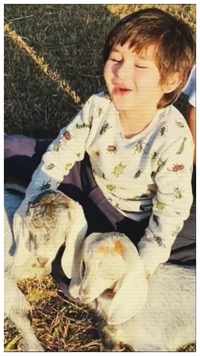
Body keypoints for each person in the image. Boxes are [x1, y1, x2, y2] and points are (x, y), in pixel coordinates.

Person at [5, 8, 195, 279]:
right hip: (86, 177)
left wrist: (140, 269)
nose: (121, 71)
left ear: (172, 79)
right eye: (116, 58)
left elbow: (170, 213)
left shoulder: (173, 139)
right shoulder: (99, 105)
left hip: (126, 217)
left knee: (96, 257)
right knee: (15, 148)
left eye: (140, 66)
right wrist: (35, 198)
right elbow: (62, 151)